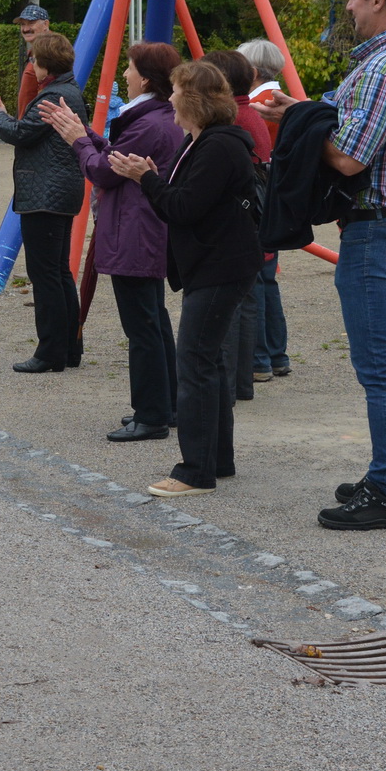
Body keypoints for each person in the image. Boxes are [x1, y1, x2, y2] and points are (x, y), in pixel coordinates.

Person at [253, 0, 386, 531]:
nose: (349, 5)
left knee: (383, 367)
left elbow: (348, 156)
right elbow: (348, 116)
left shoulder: (384, 68)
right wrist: (304, 110)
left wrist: (295, 125)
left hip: (381, 233)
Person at [108, 60, 260, 497]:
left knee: (193, 361)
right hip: (214, 264)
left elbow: (183, 208)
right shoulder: (205, 142)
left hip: (220, 266)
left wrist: (146, 180)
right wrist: (153, 178)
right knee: (207, 362)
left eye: (175, 91)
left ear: (193, 99)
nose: (169, 98)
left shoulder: (218, 146)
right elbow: (183, 200)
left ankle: (195, 469)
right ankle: (218, 458)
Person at [41, 41, 185, 439]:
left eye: (130, 68)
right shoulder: (157, 117)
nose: (125, 75)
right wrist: (84, 131)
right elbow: (115, 157)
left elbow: (103, 171)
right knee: (152, 320)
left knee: (142, 327)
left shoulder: (149, 122)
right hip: (144, 230)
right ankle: (165, 404)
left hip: (134, 232)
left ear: (146, 77)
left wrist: (77, 140)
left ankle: (152, 414)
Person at [0, 32, 87, 373]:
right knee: (59, 273)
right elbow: (27, 129)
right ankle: (69, 348)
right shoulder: (66, 91)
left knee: (46, 274)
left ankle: (51, 351)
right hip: (59, 192)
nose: (31, 65)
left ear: (45, 64)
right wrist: (4, 117)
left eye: (34, 59)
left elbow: (21, 134)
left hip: (44, 196)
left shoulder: (52, 97)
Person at [204, 49, 273, 404]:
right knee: (246, 302)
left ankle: (227, 385)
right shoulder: (250, 114)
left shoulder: (235, 120)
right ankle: (241, 381)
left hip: (238, 227)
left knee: (230, 306)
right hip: (254, 224)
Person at [238, 37, 292, 384]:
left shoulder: (256, 105)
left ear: (252, 72)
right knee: (267, 280)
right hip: (276, 196)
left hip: (257, 199)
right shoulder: (285, 101)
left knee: (255, 282)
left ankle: (258, 360)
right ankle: (276, 355)